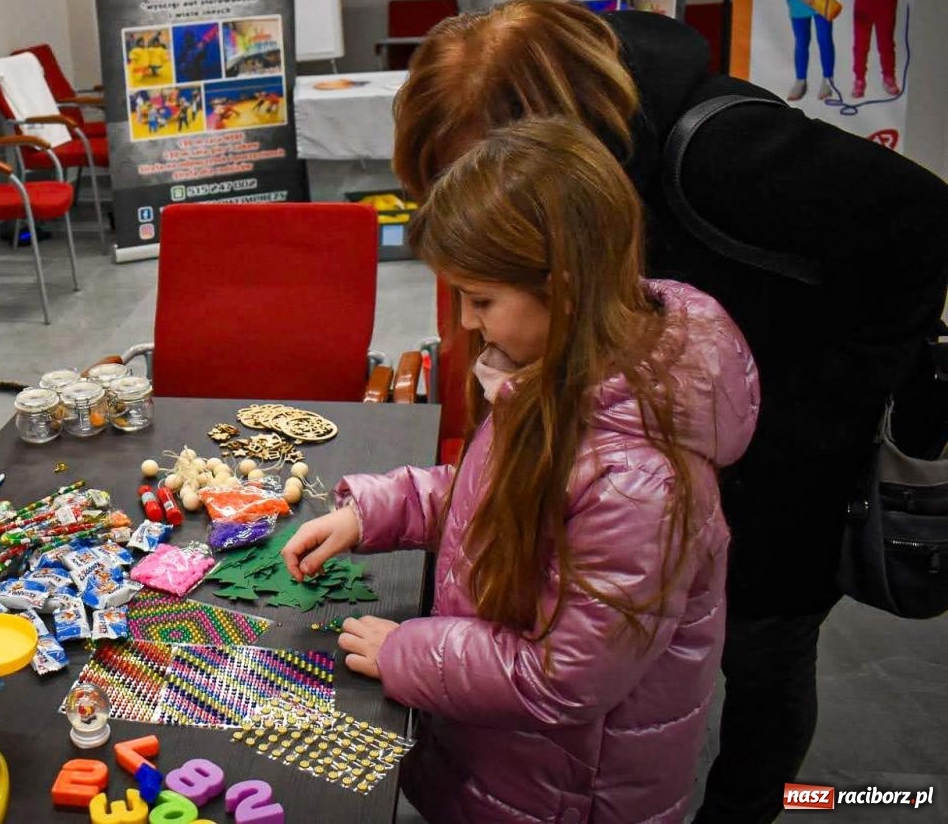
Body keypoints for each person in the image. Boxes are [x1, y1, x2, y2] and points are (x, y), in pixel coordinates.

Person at [391, 0, 948, 822]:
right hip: (680, 439)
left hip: (782, 468)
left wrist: (804, 427)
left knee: (763, 653)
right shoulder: (593, 198)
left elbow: (922, 225)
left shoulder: (720, 153)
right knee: (664, 656)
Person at [284, 118, 758, 822]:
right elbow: (494, 495)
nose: (471, 325)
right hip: (500, 759)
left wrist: (407, 654)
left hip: (568, 794)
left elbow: (565, 677)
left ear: (563, 290)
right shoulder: (550, 371)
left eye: (481, 301)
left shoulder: (638, 480)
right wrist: (376, 510)